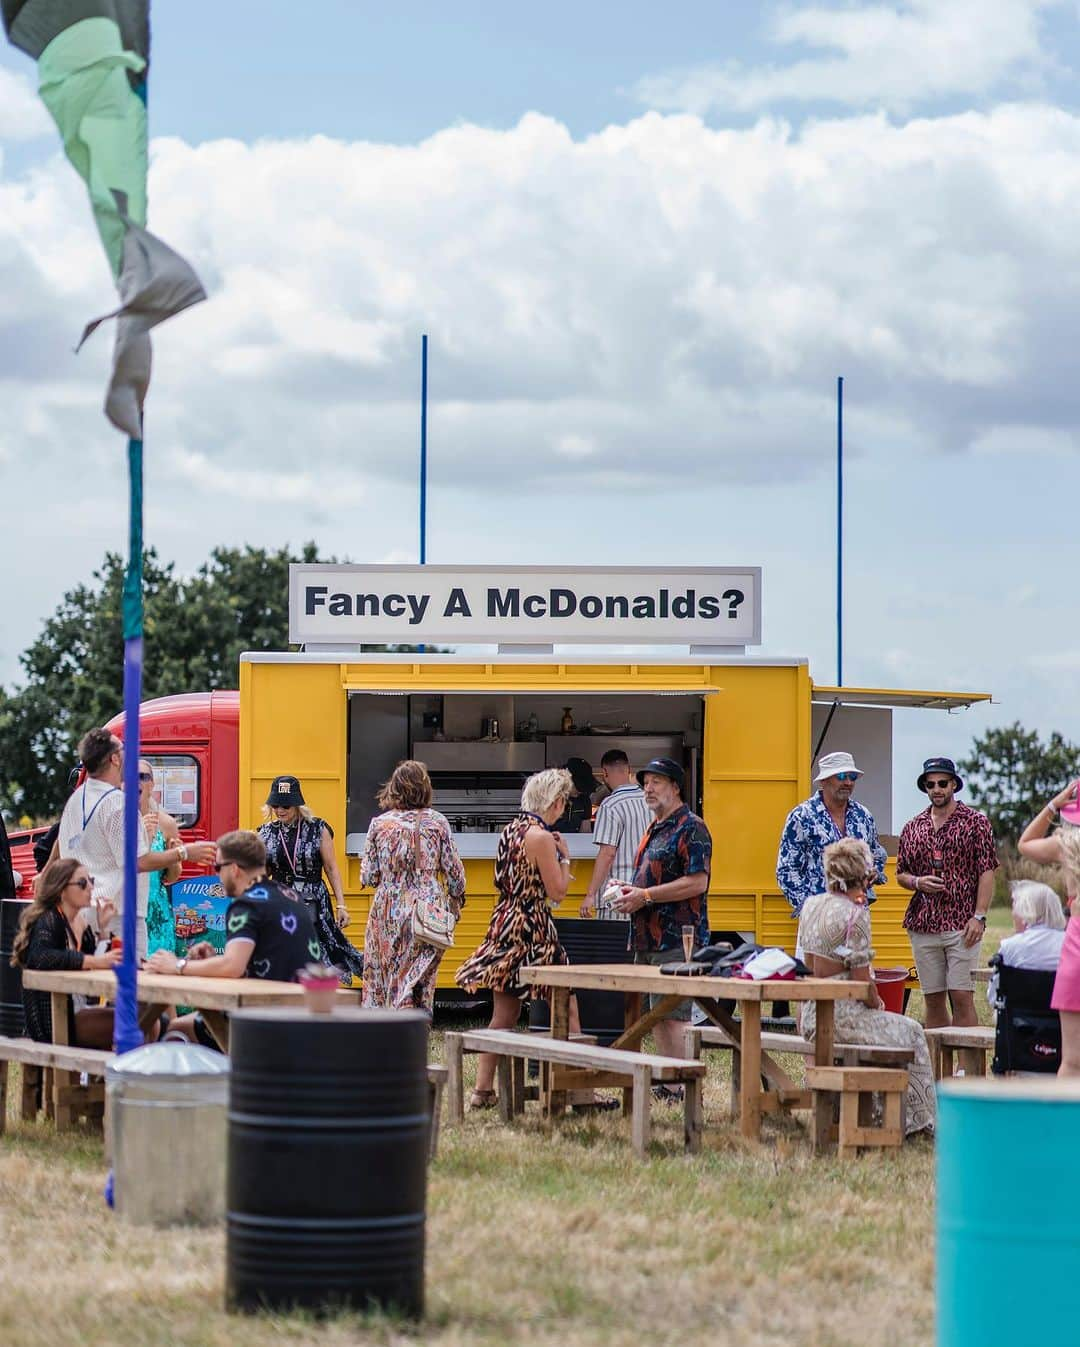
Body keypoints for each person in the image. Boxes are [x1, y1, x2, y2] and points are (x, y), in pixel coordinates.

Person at [456, 768, 580, 1108]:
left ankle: (482, 1091)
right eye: (564, 803)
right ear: (555, 802)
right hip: (533, 926)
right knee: (566, 1005)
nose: (564, 809)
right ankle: (580, 1087)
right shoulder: (540, 837)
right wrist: (566, 858)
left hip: (505, 922)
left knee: (505, 1013)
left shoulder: (511, 830)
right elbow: (557, 892)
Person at [798, 838, 935, 1138]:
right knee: (911, 1030)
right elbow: (863, 983)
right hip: (843, 1017)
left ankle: (874, 1114)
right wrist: (878, 1004)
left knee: (895, 1031)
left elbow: (808, 962)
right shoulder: (855, 915)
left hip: (810, 1016)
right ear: (862, 874)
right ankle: (916, 1122)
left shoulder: (811, 905)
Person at [57, 727, 214, 958]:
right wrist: (185, 852)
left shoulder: (76, 800)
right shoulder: (117, 803)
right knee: (130, 987)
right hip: (118, 913)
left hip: (83, 909)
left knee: (87, 988)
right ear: (115, 758)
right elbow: (137, 861)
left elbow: (61, 848)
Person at [147, 831, 321, 1039]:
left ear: (235, 869)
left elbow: (232, 967)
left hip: (264, 1018)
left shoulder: (246, 905)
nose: (218, 875)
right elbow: (261, 959)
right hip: (304, 1013)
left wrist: (176, 966)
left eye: (218, 867)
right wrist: (213, 961)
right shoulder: (290, 896)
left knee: (177, 1028)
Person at [610, 757, 711, 1085]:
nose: (648, 789)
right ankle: (669, 1085)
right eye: (645, 783)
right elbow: (650, 882)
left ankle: (682, 1085)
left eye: (656, 782)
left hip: (676, 937)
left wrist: (646, 896)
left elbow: (698, 882)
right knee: (654, 1015)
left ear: (676, 787)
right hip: (646, 936)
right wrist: (629, 891)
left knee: (672, 1014)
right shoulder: (654, 827)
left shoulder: (691, 826)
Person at [897, 757, 998, 1029]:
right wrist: (918, 882)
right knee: (932, 999)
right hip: (923, 923)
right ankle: (938, 1068)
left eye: (942, 783)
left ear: (954, 784)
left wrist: (979, 916)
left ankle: (966, 1070)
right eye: (930, 784)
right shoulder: (913, 827)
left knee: (962, 996)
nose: (937, 789)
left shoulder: (976, 822)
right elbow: (901, 874)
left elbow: (987, 871)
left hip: (962, 923)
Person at [360, 760, 466, 1013]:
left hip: (388, 908)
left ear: (393, 788)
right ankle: (416, 1024)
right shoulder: (438, 822)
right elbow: (454, 872)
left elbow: (369, 876)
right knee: (422, 975)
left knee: (388, 970)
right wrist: (456, 898)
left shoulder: (379, 824)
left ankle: (392, 1021)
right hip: (428, 908)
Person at [257, 774, 364, 984]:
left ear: (297, 805)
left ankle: (319, 994)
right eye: (276, 805)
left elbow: (332, 868)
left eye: (286, 805)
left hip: (313, 900)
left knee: (318, 948)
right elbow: (262, 873)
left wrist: (342, 905)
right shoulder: (266, 832)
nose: (280, 810)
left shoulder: (318, 828)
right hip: (281, 900)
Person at [11, 857, 120, 1046]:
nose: (90, 888)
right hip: (54, 1020)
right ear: (62, 890)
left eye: (91, 881)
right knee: (137, 1023)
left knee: (150, 1020)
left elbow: (92, 964)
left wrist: (103, 931)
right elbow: (41, 956)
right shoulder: (49, 919)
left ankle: (110, 1075)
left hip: (79, 1009)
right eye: (82, 883)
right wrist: (93, 962)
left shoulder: (80, 922)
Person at [1017, 781, 1080, 1076]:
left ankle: (1064, 1123)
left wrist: (1054, 804)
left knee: (1071, 1060)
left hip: (1076, 947)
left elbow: (1025, 844)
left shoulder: (1067, 845)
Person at [776, 751, 887, 917]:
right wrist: (808, 906)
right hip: (817, 917)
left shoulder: (863, 815)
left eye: (852, 777)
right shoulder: (802, 816)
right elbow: (786, 869)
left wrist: (873, 873)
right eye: (841, 776)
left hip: (857, 915)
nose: (848, 782)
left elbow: (877, 854)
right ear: (824, 780)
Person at [581, 749, 651, 921]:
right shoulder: (650, 801)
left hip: (618, 894)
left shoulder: (610, 805)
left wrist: (590, 894)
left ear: (604, 773)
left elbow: (607, 853)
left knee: (614, 945)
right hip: (648, 890)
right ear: (629, 770)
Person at [987, 880, 1066, 1006]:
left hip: (1018, 1022)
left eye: (1015, 908)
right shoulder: (1071, 944)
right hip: (1063, 1022)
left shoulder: (1009, 947)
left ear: (1025, 910)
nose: (1013, 914)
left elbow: (994, 998)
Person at [139, 759, 183, 957]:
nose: (137, 782)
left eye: (143, 777)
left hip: (157, 911)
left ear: (152, 784)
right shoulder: (116, 819)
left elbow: (172, 877)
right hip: (127, 909)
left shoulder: (166, 823)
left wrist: (173, 857)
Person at [558, 757, 597, 834]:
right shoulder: (548, 798)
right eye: (578, 786)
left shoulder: (584, 800)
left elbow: (585, 831)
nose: (580, 791)